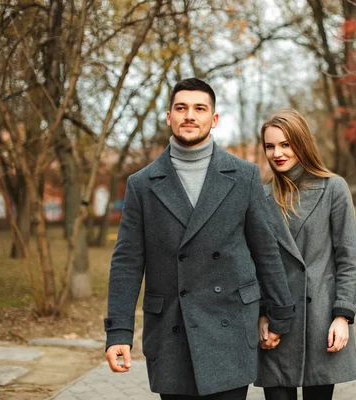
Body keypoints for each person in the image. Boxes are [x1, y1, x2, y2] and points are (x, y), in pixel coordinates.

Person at [104, 78, 295, 400]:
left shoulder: (243, 175)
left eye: (199, 108)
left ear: (214, 119)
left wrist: (278, 315)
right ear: (169, 117)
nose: (189, 115)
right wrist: (118, 332)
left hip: (230, 325)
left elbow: (266, 250)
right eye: (181, 108)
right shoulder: (142, 183)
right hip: (170, 328)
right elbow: (127, 261)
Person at [255, 109, 356, 400]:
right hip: (276, 322)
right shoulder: (261, 198)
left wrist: (343, 316)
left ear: (301, 143)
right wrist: (262, 315)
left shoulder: (333, 189)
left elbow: (347, 259)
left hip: (320, 320)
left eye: (286, 144)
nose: (277, 153)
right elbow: (255, 266)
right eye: (270, 145)